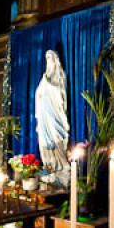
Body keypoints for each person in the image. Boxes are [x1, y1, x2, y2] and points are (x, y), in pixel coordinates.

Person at [34, 49, 70, 187]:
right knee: (44, 139)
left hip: (55, 114)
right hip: (44, 114)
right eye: (46, 58)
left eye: (50, 57)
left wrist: (48, 83)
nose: (48, 60)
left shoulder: (60, 76)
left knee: (57, 137)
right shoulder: (45, 77)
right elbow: (38, 93)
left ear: (55, 60)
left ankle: (62, 167)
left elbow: (61, 94)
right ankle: (49, 166)